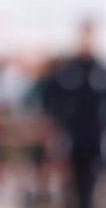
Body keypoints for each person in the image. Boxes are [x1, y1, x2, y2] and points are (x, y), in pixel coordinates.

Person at [41, 19, 106, 208]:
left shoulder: (99, 71)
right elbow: (51, 97)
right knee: (72, 183)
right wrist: (58, 125)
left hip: (95, 138)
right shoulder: (69, 71)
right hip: (72, 138)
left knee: (91, 182)